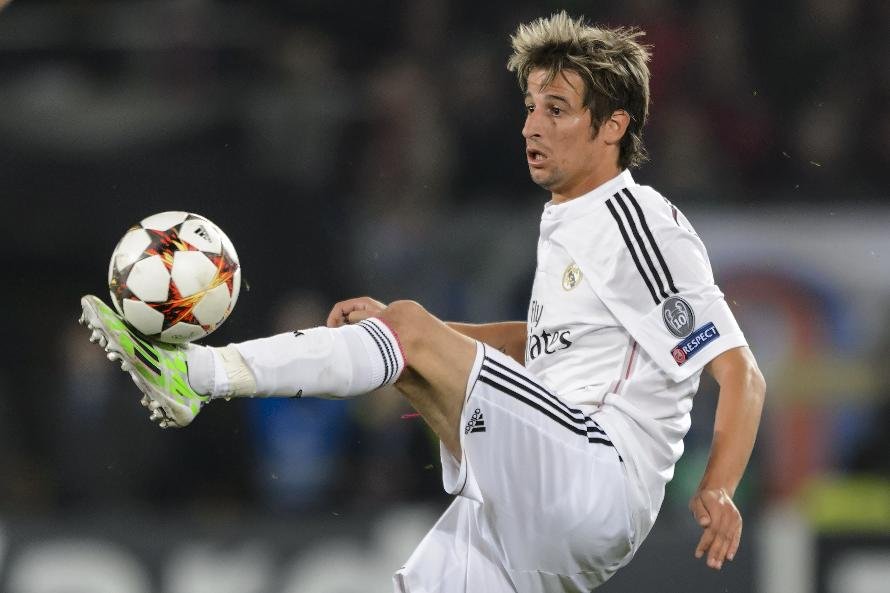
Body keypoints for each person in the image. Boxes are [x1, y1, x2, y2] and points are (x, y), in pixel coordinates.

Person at [79, 11, 765, 592]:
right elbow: (541, 343)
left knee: (406, 331)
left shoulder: (637, 220)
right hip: (535, 494)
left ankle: (197, 375)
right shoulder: (568, 220)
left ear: (613, 126)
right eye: (530, 105)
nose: (532, 125)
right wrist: (419, 332)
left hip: (596, 474)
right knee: (403, 335)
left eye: (557, 110)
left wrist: (721, 485)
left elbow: (740, 372)